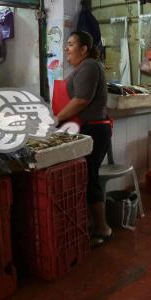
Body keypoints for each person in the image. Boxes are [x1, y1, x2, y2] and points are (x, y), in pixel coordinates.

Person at [56, 31, 112, 248]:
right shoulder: (83, 67)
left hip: (94, 130)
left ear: (84, 48)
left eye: (71, 44)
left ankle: (103, 228)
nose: (67, 48)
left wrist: (57, 118)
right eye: (66, 44)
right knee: (87, 176)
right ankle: (92, 224)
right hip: (88, 128)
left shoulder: (89, 66)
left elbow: (81, 100)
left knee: (90, 177)